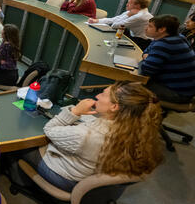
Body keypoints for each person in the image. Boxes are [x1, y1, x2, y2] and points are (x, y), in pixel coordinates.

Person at [18, 82, 163, 191]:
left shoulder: (86, 136)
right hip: (89, 174)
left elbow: (49, 129)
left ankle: (16, 178)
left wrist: (75, 111)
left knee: (21, 146)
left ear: (114, 107)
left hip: (65, 178)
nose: (97, 96)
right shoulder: (133, 127)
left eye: (104, 94)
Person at [140, 15, 195, 103]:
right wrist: (147, 56)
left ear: (162, 29)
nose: (146, 28)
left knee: (130, 84)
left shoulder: (164, 44)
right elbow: (147, 50)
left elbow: (146, 71)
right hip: (184, 90)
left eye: (150, 26)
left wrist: (146, 58)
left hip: (178, 93)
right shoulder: (178, 37)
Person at [88, 0, 153, 50]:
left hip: (141, 42)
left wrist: (128, 15)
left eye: (129, 3)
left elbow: (115, 25)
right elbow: (114, 19)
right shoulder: (134, 11)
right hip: (134, 36)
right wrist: (97, 21)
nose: (127, 4)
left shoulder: (140, 16)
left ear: (137, 5)